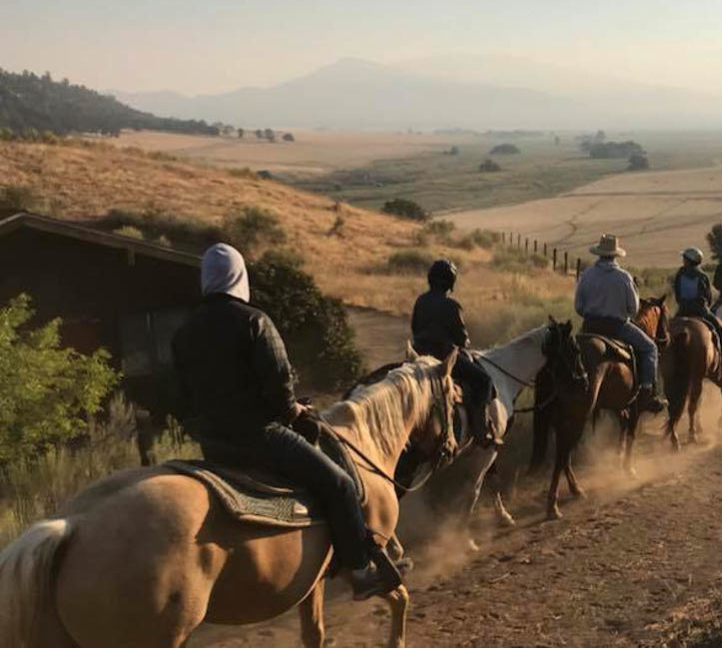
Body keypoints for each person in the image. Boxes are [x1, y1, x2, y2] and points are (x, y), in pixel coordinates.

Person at [172, 243, 400, 601]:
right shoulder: (254, 321)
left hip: (213, 444)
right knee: (339, 484)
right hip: (259, 438)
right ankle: (359, 569)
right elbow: (280, 393)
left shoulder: (183, 332)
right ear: (239, 277)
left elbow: (182, 396)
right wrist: (297, 412)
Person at [574, 234, 667, 413]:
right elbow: (633, 309)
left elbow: (578, 306)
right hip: (617, 327)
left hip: (589, 327)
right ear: (615, 255)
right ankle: (647, 393)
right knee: (650, 349)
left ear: (599, 253)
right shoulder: (623, 277)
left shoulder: (586, 275)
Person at [411, 259, 498, 447]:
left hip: (419, 357)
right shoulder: (452, 306)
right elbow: (461, 340)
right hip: (444, 358)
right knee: (484, 381)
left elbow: (415, 329)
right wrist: (465, 341)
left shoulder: (420, 301)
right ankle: (481, 430)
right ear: (451, 282)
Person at [672, 247, 722, 377]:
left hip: (683, 311)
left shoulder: (680, 273)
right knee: (721, 331)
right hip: (700, 311)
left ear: (689, 260)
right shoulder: (702, 276)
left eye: (684, 258)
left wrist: (683, 303)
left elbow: (677, 294)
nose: (683, 261)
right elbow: (708, 297)